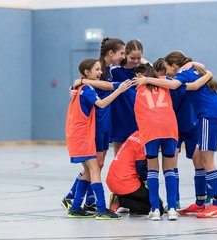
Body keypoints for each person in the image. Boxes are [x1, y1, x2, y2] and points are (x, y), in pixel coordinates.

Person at [136, 51, 217, 218]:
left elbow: (173, 84)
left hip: (209, 117)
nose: (167, 72)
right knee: (198, 158)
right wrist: (205, 70)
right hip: (211, 116)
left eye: (167, 68)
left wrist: (146, 79)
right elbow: (197, 76)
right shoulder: (193, 70)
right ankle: (200, 203)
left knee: (207, 161)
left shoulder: (182, 74)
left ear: (173, 66)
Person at [62, 38, 126, 212]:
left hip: (105, 122)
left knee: (98, 164)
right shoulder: (98, 70)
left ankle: (77, 201)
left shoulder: (113, 70)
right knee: (94, 165)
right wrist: (82, 82)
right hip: (93, 124)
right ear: (111, 53)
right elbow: (105, 87)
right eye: (122, 53)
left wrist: (83, 81)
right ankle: (81, 199)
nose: (124, 57)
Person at [133, 63, 179, 221]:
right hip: (169, 127)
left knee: (152, 168)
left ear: (142, 75)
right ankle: (172, 208)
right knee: (169, 168)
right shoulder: (164, 81)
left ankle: (155, 210)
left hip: (151, 129)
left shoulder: (138, 85)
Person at [106, 131, 163, 215]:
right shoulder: (146, 139)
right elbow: (140, 166)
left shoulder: (136, 134)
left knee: (146, 199)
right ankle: (121, 201)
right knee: (156, 207)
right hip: (125, 182)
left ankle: (125, 200)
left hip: (114, 179)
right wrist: (146, 182)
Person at [110, 40, 147, 155]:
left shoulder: (145, 69)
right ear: (125, 54)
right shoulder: (114, 70)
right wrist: (74, 87)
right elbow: (93, 78)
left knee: (139, 156)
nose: (136, 61)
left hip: (139, 117)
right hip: (119, 116)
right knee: (119, 154)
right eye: (132, 58)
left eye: (139, 58)